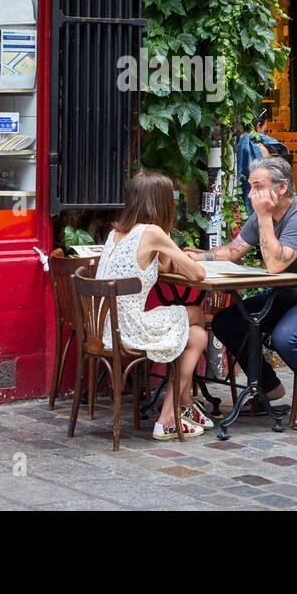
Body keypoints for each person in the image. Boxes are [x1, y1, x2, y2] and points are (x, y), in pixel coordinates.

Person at [189, 156, 297, 432]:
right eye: (251, 187)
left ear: (282, 188)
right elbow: (234, 251)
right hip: (287, 297)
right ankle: (269, 387)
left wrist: (263, 216)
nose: (252, 194)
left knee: (287, 337)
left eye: (258, 187)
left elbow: (275, 264)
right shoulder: (262, 216)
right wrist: (198, 258)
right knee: (226, 322)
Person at [96, 171, 213, 439]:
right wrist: (175, 246)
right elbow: (197, 275)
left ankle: (181, 406)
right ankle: (170, 415)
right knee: (196, 316)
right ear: (161, 203)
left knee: (195, 334)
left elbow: (160, 265)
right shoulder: (152, 232)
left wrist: (169, 249)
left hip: (106, 327)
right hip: (130, 328)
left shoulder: (116, 233)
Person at [235, 109, 286, 217]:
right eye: (264, 128)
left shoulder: (237, 143)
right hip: (258, 204)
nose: (264, 132)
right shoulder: (259, 147)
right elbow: (271, 177)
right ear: (258, 126)